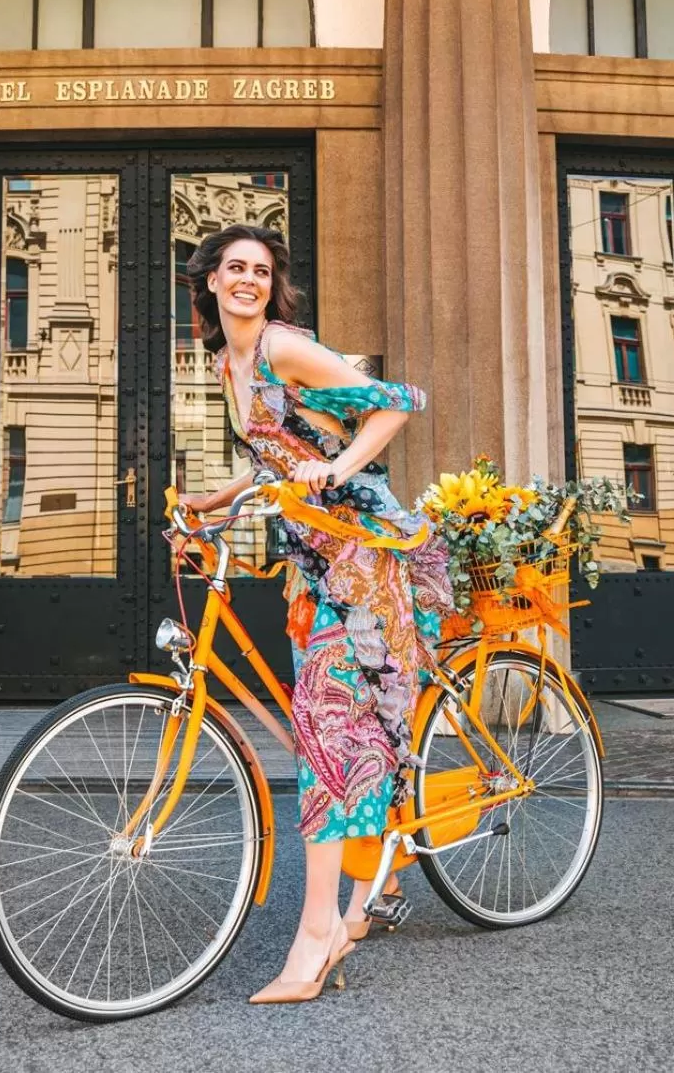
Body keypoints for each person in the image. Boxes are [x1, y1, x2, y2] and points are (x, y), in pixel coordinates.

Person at [177, 222, 451, 1005]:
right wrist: (218, 498)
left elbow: (397, 404)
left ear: (273, 286)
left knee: (332, 734)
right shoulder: (227, 360)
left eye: (260, 270)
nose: (247, 280)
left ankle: (320, 929)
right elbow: (276, 448)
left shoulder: (281, 347)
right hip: (311, 556)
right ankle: (371, 888)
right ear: (208, 281)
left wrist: (340, 466)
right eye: (234, 267)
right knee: (345, 731)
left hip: (361, 548)